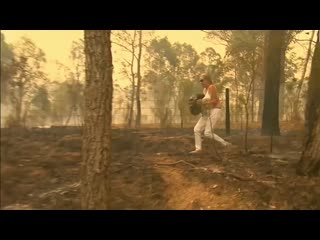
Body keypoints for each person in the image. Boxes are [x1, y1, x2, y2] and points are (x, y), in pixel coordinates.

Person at [190, 74, 231, 154]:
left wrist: (202, 102)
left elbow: (215, 101)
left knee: (207, 132)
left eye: (202, 80)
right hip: (207, 112)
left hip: (215, 110)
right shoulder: (204, 91)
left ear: (207, 80)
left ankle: (225, 144)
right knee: (197, 129)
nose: (201, 82)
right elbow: (204, 104)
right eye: (200, 81)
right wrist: (198, 104)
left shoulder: (212, 87)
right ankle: (198, 149)